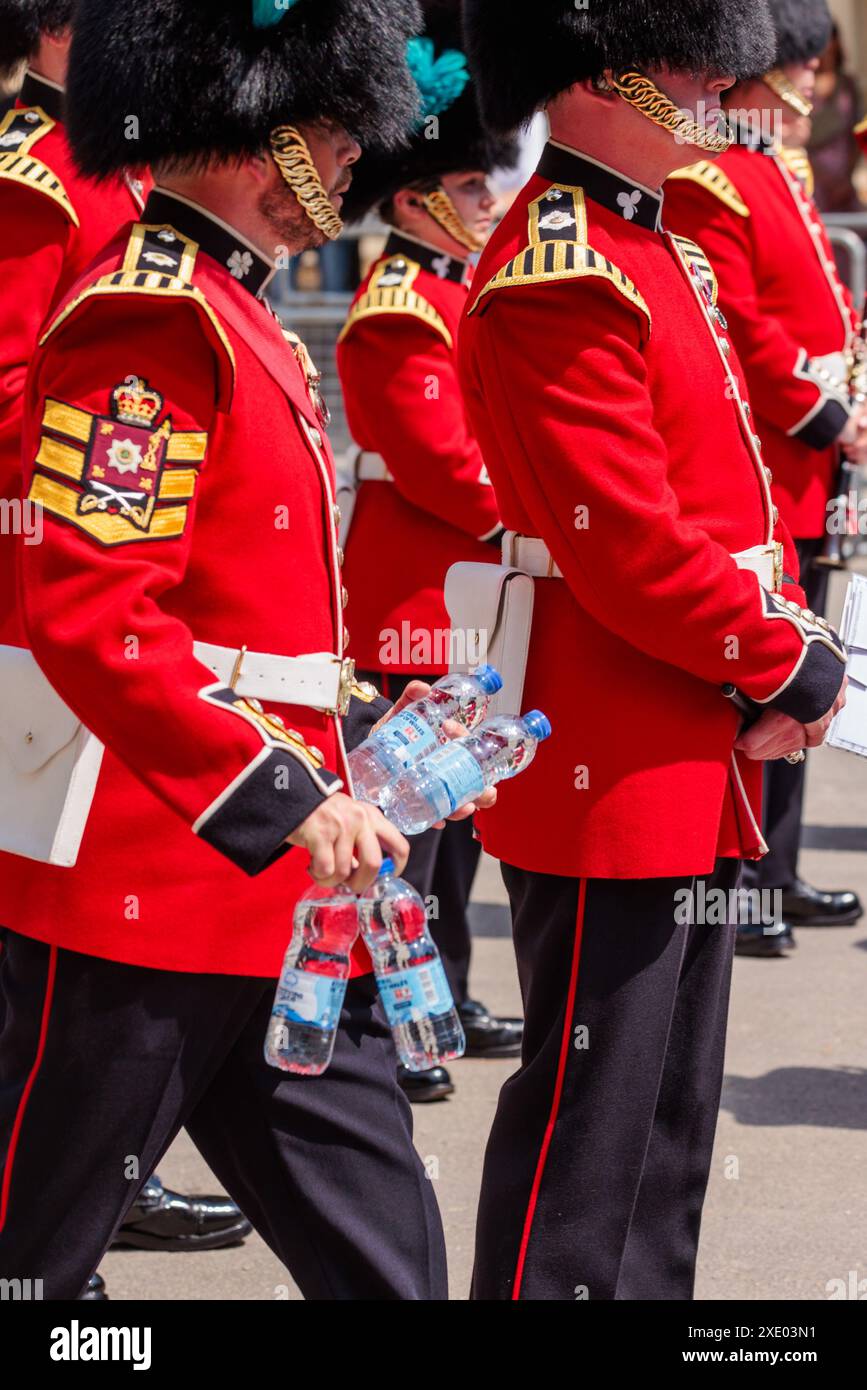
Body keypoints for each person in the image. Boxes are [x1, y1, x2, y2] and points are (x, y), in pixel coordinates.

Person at [0, 0, 481, 1302]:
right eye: (328, 129)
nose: (346, 156)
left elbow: (255, 610)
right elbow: (100, 613)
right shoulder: (151, 321)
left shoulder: (237, 308)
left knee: (389, 1258)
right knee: (34, 1271)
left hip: (280, 886)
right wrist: (273, 793)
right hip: (149, 884)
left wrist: (362, 737)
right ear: (255, 132)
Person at [457, 0, 848, 1299]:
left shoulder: (646, 246)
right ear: (596, 68)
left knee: (666, 1139)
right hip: (609, 754)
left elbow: (712, 504)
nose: (706, 75)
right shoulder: (558, 265)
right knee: (593, 1128)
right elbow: (620, 542)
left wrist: (763, 652)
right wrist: (776, 657)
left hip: (689, 739)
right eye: (679, 51)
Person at [0, 1, 256, 1293]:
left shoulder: (129, 176)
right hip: (39, 611)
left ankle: (83, 1207)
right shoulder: (38, 180)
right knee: (44, 952)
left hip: (122, 602)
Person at [336, 0, 520, 1104]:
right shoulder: (402, 306)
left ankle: (440, 993)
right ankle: (394, 1019)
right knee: (418, 836)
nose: (485, 201)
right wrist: (533, 512)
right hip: (416, 602)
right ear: (415, 200)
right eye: (468, 186)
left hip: (460, 600)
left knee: (458, 829)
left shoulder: (455, 292)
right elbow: (447, 464)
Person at [665, 0, 866, 960]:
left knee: (811, 672)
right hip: (777, 464)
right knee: (774, 677)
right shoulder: (714, 181)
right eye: (798, 70)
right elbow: (745, 330)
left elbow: (817, 307)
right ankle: (740, 885)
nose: (809, 88)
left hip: (814, 462)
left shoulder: (768, 172)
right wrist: (830, 419)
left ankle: (773, 873)